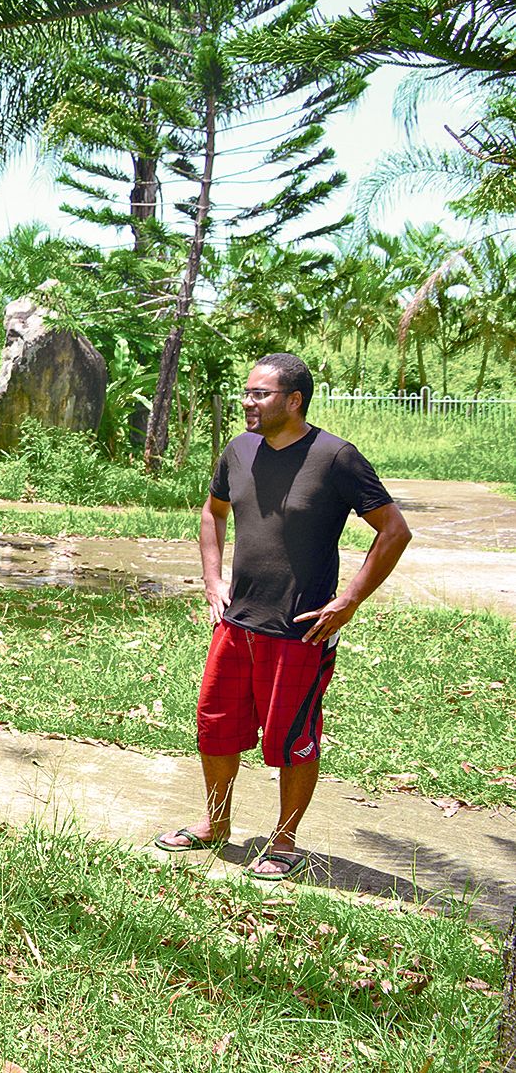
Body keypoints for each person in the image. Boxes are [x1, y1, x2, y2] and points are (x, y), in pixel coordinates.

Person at [154, 353, 412, 880]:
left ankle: (285, 841)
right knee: (216, 727)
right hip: (237, 622)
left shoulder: (336, 457)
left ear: (294, 401)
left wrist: (350, 599)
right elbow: (213, 511)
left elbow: (394, 530)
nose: (248, 402)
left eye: (260, 394)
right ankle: (216, 823)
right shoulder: (239, 451)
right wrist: (212, 579)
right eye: (247, 392)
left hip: (301, 629)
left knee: (292, 739)